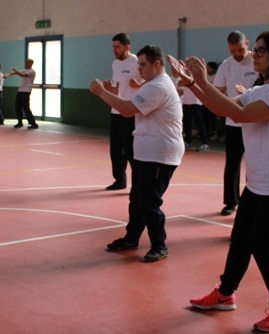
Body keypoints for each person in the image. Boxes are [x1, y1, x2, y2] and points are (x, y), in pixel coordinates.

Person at [170, 30, 269, 333]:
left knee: (263, 246)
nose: (254, 55)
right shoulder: (259, 88)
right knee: (241, 240)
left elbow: (240, 114)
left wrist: (201, 82)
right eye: (255, 49)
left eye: (261, 51)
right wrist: (194, 83)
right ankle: (225, 293)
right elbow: (222, 108)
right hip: (258, 183)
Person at [90, 45, 184, 262]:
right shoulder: (151, 85)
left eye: (143, 64)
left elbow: (127, 110)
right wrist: (113, 95)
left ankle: (160, 245)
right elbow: (128, 107)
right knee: (137, 199)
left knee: (150, 201)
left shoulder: (158, 86)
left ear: (156, 64)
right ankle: (131, 238)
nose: (139, 69)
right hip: (147, 151)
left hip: (160, 153)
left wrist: (101, 93)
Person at [212, 31, 258, 216]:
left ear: (247, 43)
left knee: (254, 164)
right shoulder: (226, 66)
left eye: (240, 49)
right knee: (232, 163)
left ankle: (252, 201)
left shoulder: (259, 61)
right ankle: (231, 201)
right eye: (233, 51)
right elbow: (218, 92)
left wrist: (248, 93)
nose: (237, 54)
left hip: (255, 120)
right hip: (233, 122)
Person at [104, 33, 142, 190]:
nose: (114, 49)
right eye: (113, 46)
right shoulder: (115, 64)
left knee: (131, 150)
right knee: (115, 150)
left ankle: (138, 184)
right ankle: (120, 180)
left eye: (117, 46)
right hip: (116, 110)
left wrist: (140, 84)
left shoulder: (137, 62)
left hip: (130, 111)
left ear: (127, 47)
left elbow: (150, 81)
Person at [4, 59, 39, 129]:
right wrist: (8, 75)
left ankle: (33, 123)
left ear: (31, 63)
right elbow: (14, 73)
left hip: (26, 91)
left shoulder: (32, 71)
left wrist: (15, 69)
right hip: (20, 90)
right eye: (25, 62)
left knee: (26, 108)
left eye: (27, 62)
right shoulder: (24, 70)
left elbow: (22, 75)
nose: (26, 63)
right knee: (17, 106)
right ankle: (20, 122)